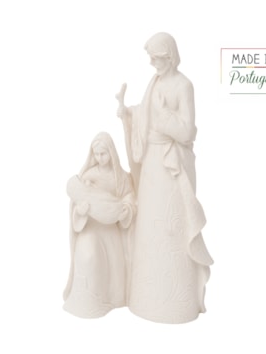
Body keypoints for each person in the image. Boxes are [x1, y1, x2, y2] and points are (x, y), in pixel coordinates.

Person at [117, 32, 213, 323]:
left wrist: (162, 115)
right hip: (152, 165)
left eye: (156, 58)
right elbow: (146, 115)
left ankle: (175, 302)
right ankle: (147, 297)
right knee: (151, 224)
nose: (152, 63)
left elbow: (187, 131)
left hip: (172, 167)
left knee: (171, 228)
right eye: (150, 58)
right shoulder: (155, 82)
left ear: (169, 56)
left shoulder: (184, 86)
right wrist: (128, 114)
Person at [63, 132, 135, 318]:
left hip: (110, 230)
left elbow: (129, 196)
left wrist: (126, 209)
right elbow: (77, 199)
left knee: (114, 266)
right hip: (91, 228)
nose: (100, 158)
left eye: (103, 153)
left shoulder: (121, 177)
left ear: (111, 152)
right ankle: (90, 300)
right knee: (89, 256)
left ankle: (113, 298)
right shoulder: (89, 176)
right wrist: (81, 211)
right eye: (96, 154)